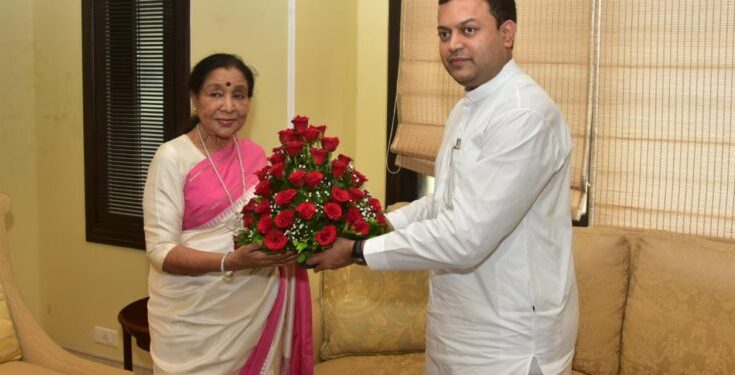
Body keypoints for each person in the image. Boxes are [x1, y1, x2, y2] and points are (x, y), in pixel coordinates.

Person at [306, 0, 578, 374]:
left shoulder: (523, 114)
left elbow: (466, 236)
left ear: (507, 33)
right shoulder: (467, 107)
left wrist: (356, 250)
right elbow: (445, 203)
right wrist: (375, 223)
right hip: (454, 333)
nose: (453, 45)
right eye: (444, 33)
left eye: (469, 30)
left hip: (508, 344)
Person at [143, 53, 313, 375]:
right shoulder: (172, 157)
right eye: (216, 93)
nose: (229, 106)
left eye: (239, 95)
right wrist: (229, 262)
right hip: (191, 320)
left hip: (253, 308)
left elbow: (272, 224)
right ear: (195, 98)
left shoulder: (255, 155)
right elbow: (160, 251)